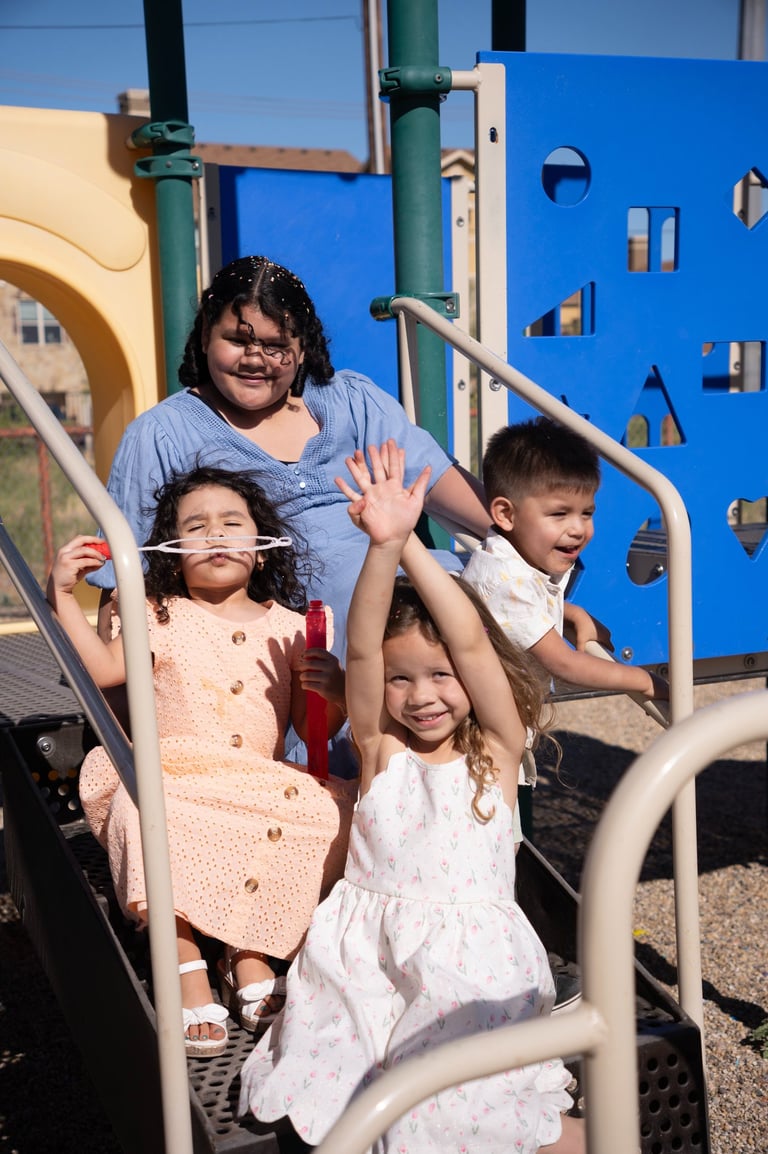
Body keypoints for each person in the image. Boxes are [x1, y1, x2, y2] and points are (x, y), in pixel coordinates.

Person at [238, 441, 584, 1154]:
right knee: (355, 1102)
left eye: (440, 676)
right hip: (367, 964)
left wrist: (412, 548)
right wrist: (382, 547)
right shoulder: (382, 752)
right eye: (402, 681)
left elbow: (473, 644)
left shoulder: (497, 751)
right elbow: (364, 649)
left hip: (470, 968)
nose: (421, 696)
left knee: (467, 1107)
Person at [47, 465, 355, 1057]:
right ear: (173, 553)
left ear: (261, 549)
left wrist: (331, 689)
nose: (215, 534)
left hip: (256, 784)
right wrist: (61, 596)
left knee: (328, 814)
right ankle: (184, 953)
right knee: (147, 811)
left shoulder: (293, 628)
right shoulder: (158, 613)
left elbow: (312, 730)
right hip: (175, 779)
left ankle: (247, 947)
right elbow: (104, 671)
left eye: (231, 523)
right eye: (196, 527)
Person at [88, 254, 490, 665]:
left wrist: (512, 534)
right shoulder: (163, 435)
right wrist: (118, 689)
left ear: (302, 348)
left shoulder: (351, 401)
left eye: (276, 346)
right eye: (237, 340)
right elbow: (123, 572)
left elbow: (434, 479)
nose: (255, 359)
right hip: (308, 630)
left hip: (421, 582)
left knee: (486, 595)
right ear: (206, 333)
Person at [462, 417, 669, 703]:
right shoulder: (508, 581)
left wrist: (570, 612)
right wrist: (645, 681)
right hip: (484, 720)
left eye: (587, 513)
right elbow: (565, 664)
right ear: (506, 515)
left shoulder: (510, 559)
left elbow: (518, 608)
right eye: (559, 514)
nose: (578, 529)